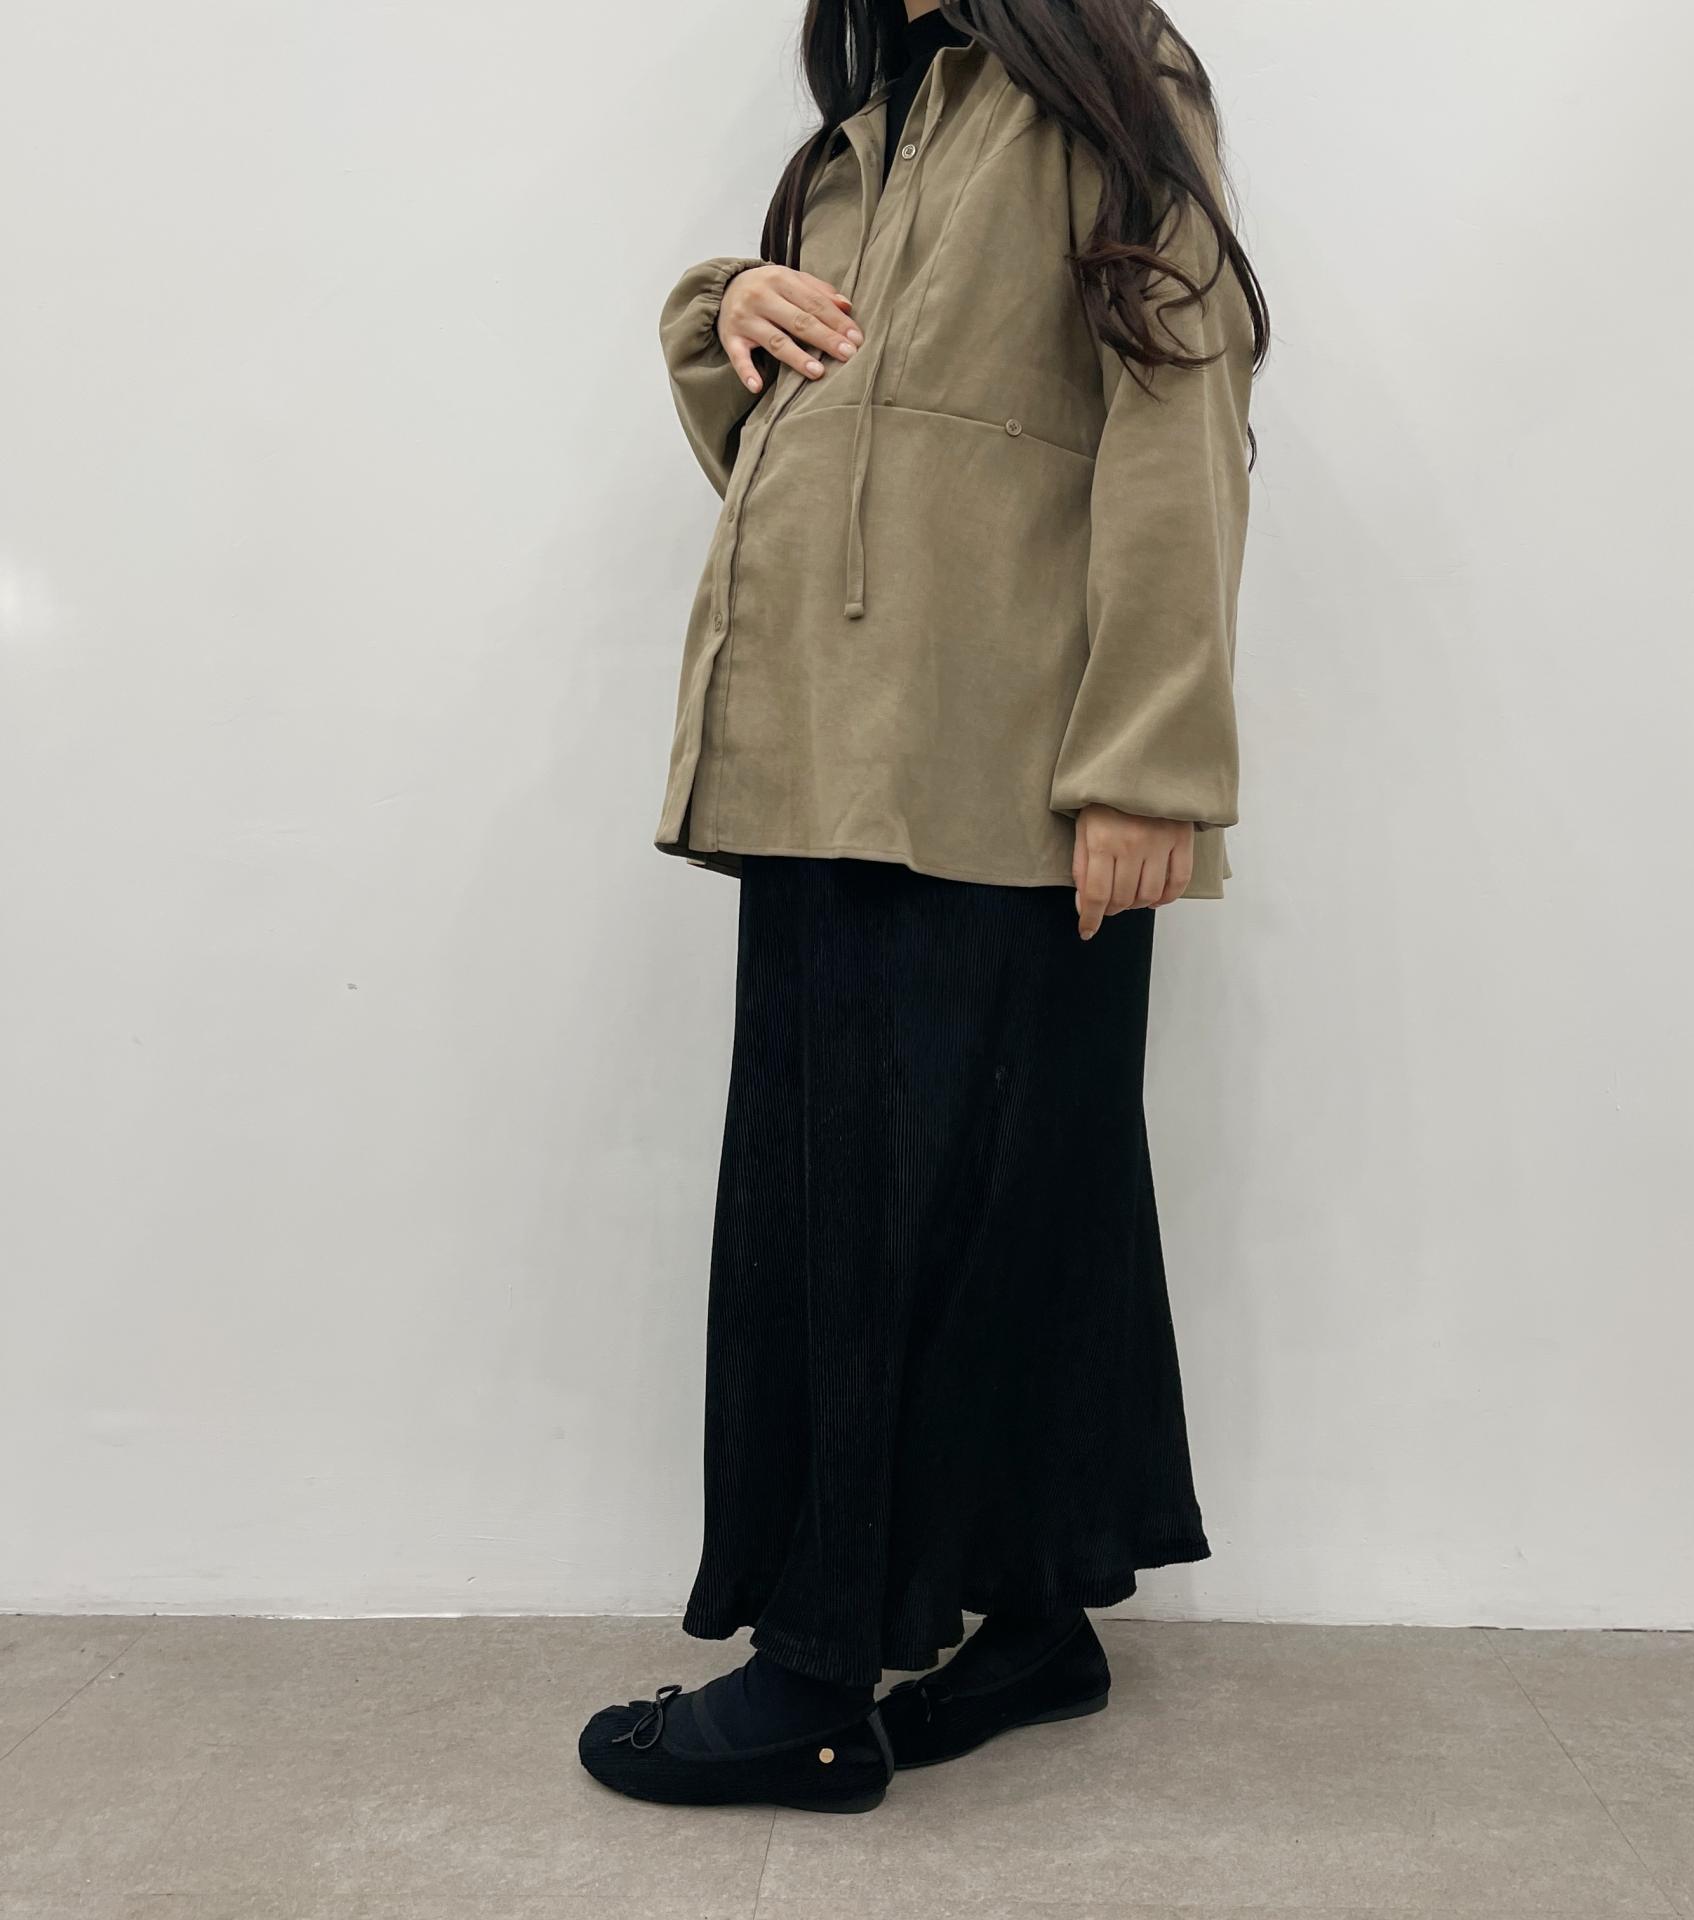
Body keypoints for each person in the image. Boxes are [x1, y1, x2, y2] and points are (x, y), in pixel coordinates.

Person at [580, 0, 1266, 1814]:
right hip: (826, 756)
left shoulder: (1111, 84)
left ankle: (816, 1677)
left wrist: (1151, 760)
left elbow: (1184, 400)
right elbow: (823, 468)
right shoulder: (861, 144)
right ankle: (1036, 1622)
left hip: (1004, 767)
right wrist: (726, 313)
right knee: (987, 1204)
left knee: (887, 1223)